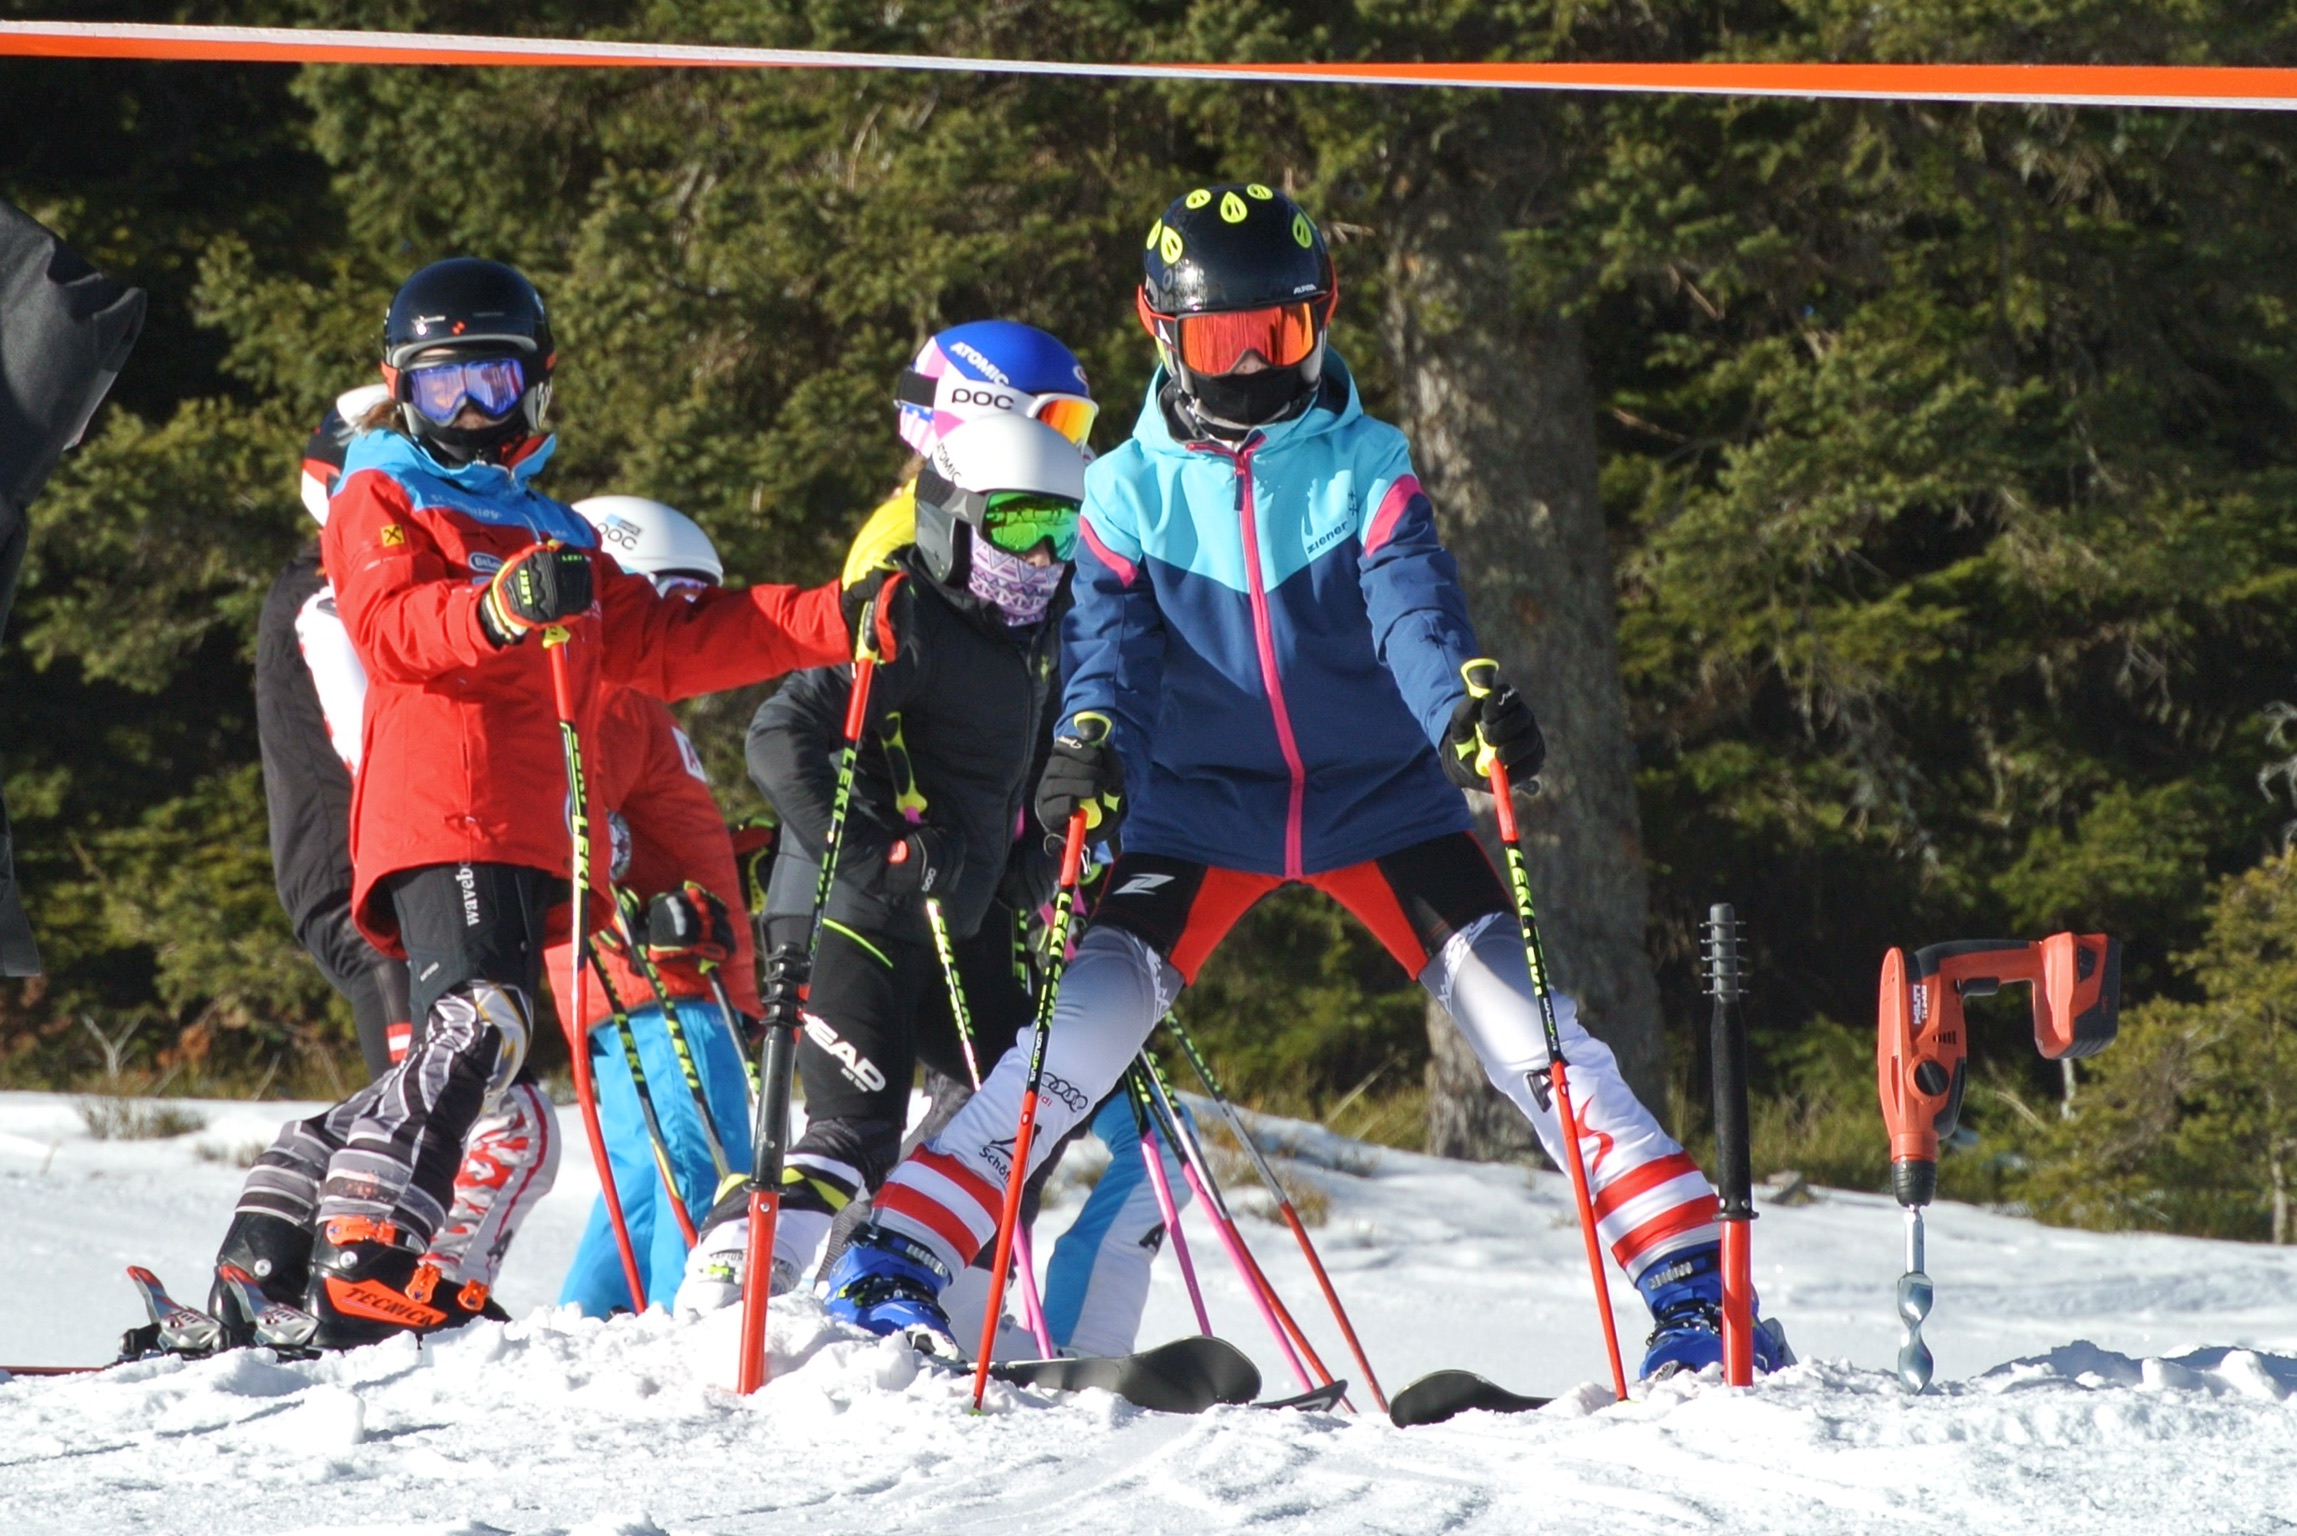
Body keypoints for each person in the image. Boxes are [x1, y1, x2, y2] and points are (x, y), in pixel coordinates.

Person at [822, 185, 1791, 1380]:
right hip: (1195, 817)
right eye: (1218, 341)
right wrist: (1089, 742)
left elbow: (1414, 613)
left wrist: (1462, 714)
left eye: (1273, 336)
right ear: (1161, 333)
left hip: (1380, 807)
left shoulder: (1364, 464)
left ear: (1318, 319)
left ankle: (1699, 1294)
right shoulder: (1123, 490)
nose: (1248, 371)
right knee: (1066, 1051)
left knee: (1536, 1042)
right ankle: (895, 1260)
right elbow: (1109, 655)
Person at [245, 256, 852, 1349]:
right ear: (401, 390)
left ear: (536, 384)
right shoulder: (383, 492)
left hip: (528, 834)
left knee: (483, 1051)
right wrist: (496, 609)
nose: (472, 412)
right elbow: (391, 627)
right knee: (481, 1023)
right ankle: (367, 1242)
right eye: (443, 387)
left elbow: (665, 642)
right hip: (446, 807)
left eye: (493, 382)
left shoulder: (554, 526)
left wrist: (836, 617)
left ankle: (285, 1208)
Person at [553, 495, 761, 1315]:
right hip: (661, 984)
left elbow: (623, 825)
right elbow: (574, 822)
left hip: (648, 986)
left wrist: (737, 859)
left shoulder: (632, 700)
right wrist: (638, 908)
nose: (684, 626)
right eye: (674, 599)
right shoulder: (609, 693)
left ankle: (584, 1332)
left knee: (643, 1182)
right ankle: (688, 1331)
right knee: (702, 1166)